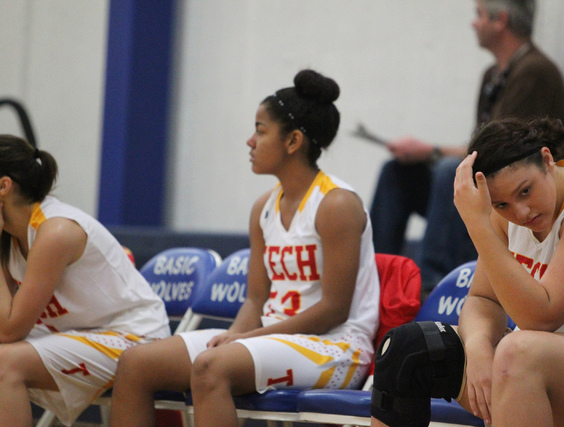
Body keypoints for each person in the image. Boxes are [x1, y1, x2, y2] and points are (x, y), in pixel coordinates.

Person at [109, 69, 381, 427]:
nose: (250, 141)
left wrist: (245, 340)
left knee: (211, 367)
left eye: (260, 130)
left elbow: (333, 310)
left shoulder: (336, 204)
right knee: (135, 363)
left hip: (336, 347)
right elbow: (255, 300)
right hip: (274, 335)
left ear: (293, 141)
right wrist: (236, 337)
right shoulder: (263, 208)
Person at [369, 117, 564, 427]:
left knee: (518, 354)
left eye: (525, 191)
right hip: (550, 361)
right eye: (501, 205)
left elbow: (541, 317)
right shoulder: (505, 215)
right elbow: (483, 300)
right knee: (409, 349)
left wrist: (477, 224)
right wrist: (477, 348)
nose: (520, 213)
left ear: (548, 160)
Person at [369, 0, 564, 299]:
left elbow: (505, 153)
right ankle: (377, 276)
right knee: (396, 173)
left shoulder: (534, 71)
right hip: (499, 180)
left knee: (447, 173)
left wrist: (429, 150)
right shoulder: (493, 73)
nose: (473, 23)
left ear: (500, 20)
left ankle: (433, 287)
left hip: (521, 187)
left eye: (479, 15)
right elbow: (482, 146)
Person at [0, 135, 170, 426]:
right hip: (81, 334)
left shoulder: (56, 231)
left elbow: (8, 330)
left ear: (3, 186)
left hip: (135, 339)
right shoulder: (12, 235)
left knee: (4, 363)